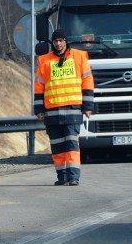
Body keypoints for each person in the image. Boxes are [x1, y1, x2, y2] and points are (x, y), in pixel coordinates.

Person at [34, 29, 94, 186]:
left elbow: (87, 82)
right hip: (52, 112)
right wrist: (39, 110)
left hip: (73, 111)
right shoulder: (45, 60)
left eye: (61, 40)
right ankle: (62, 176)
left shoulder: (79, 57)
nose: (58, 43)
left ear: (66, 42)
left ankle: (74, 176)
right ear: (52, 43)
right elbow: (39, 87)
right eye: (55, 41)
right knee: (58, 147)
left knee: (72, 145)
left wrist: (88, 106)